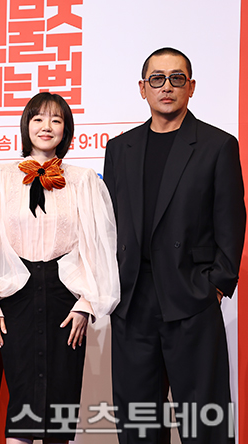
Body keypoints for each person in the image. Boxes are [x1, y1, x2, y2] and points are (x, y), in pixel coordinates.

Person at [0, 92, 120, 444]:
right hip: (17, 296)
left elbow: (98, 245)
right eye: (38, 119)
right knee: (22, 400)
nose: (47, 127)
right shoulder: (1, 177)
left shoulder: (83, 179)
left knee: (62, 400)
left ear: (66, 129)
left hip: (67, 298)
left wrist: (87, 303)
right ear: (26, 125)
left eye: (56, 120)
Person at [103, 47, 245, 443]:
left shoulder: (217, 145)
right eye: (157, 78)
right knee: (138, 424)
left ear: (191, 87)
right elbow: (109, 225)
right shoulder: (120, 149)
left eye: (177, 78)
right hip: (133, 302)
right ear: (143, 88)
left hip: (190, 297)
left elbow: (231, 220)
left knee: (205, 423)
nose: (167, 86)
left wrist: (215, 285)